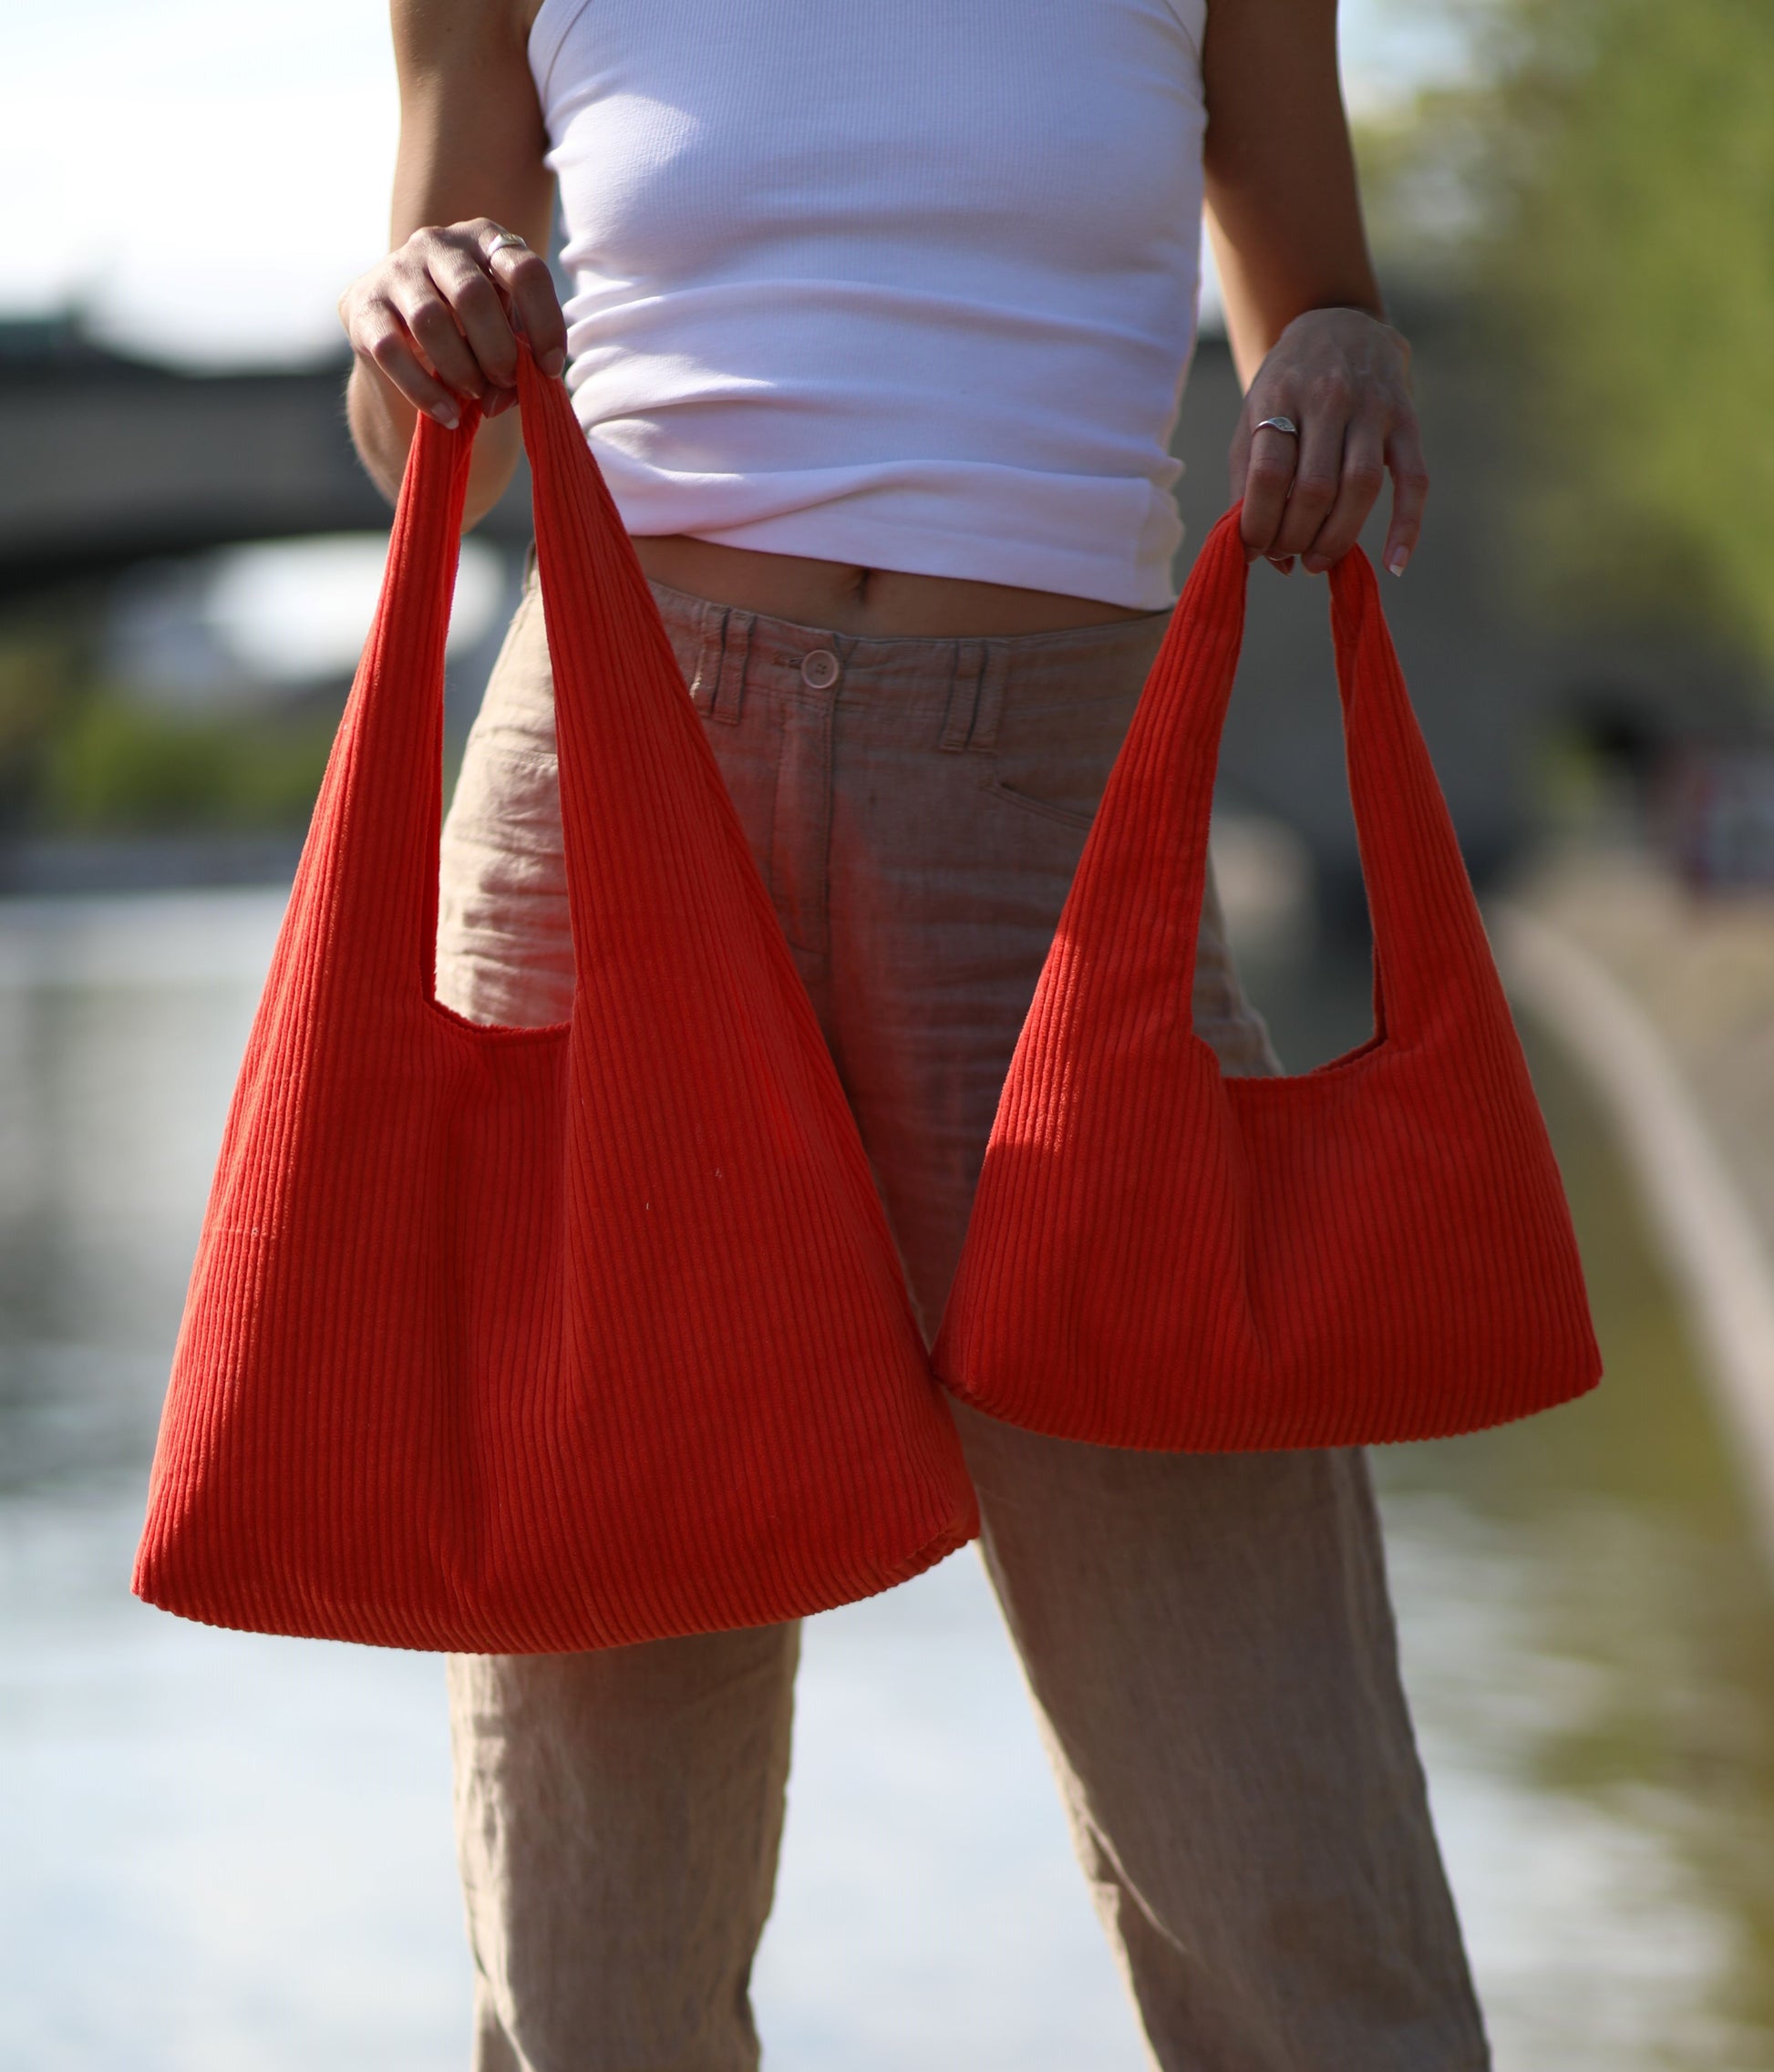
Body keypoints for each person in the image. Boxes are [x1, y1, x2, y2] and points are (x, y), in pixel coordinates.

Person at [339, 1, 1486, 2066]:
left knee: (1256, 1759)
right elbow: (431, 434)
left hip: (1049, 816)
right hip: (614, 780)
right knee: (597, 1845)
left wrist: (1335, 356)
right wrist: (414, 316)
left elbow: (1319, 300)